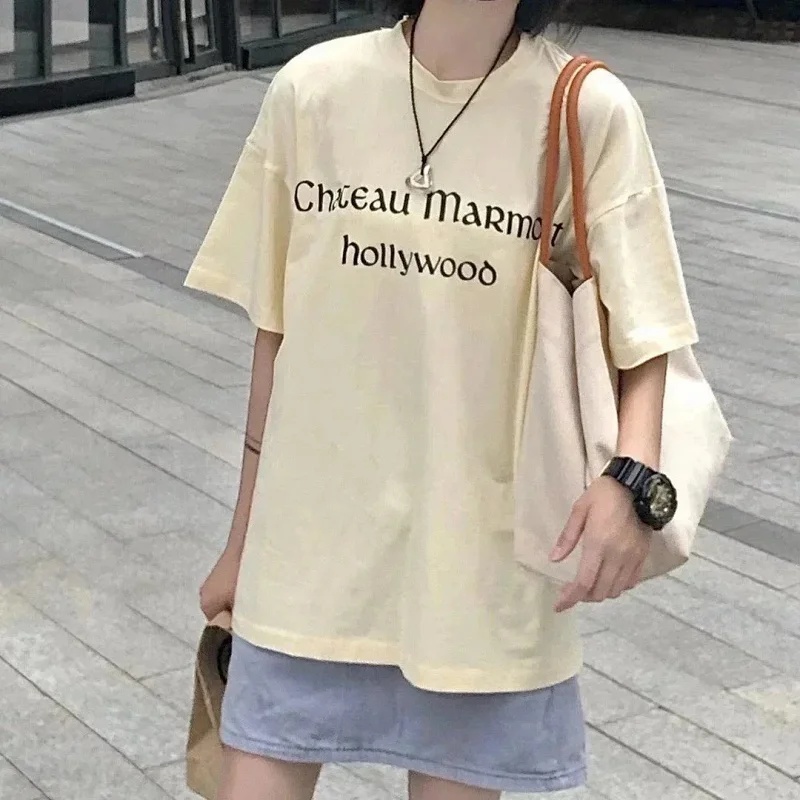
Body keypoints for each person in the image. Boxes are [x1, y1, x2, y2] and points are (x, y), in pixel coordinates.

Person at [184, 0, 699, 798]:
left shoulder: (586, 110)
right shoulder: (312, 92)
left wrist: (632, 481)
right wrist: (240, 540)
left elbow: (647, 332)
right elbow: (276, 337)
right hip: (306, 566)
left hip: (478, 585)